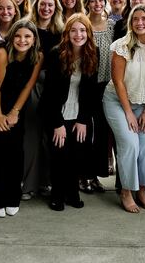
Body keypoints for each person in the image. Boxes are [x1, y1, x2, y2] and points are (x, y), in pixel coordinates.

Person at [103, 4, 145, 213]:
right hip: (117, 102)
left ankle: (141, 190)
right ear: (131, 23)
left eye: (144, 19)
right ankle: (126, 191)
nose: (140, 23)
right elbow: (118, 81)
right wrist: (129, 113)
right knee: (130, 144)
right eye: (135, 19)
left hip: (144, 105)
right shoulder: (121, 46)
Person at [0, 19, 42, 218]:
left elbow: (27, 86)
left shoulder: (37, 56)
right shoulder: (1, 54)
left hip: (17, 105)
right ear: (11, 37)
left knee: (15, 152)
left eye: (27, 36)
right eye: (17, 35)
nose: (22, 40)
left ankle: (12, 196)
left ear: (34, 40)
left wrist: (15, 111)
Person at [41, 13, 100, 211]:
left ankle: (72, 191)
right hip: (56, 114)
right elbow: (48, 93)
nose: (78, 34)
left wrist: (83, 119)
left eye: (82, 30)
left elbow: (91, 92)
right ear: (67, 33)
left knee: (77, 155)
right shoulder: (56, 54)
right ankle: (57, 193)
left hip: (80, 114)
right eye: (74, 30)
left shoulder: (93, 53)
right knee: (59, 155)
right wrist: (57, 123)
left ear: (88, 33)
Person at [21, 0, 66, 200]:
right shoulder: (27, 28)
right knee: (32, 135)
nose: (46, 8)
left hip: (54, 85)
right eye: (42, 4)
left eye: (50, 5)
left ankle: (46, 182)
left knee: (50, 137)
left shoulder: (61, 30)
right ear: (35, 6)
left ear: (55, 7)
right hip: (32, 84)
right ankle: (29, 185)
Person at [81, 0, 115, 193]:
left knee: (102, 132)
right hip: (87, 84)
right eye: (93, 1)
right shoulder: (82, 24)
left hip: (108, 84)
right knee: (86, 131)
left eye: (100, 0)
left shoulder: (112, 25)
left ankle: (95, 175)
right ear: (87, 3)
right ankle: (83, 175)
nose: (97, 4)